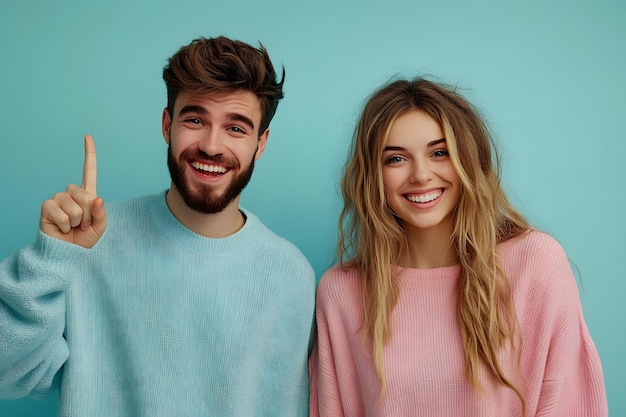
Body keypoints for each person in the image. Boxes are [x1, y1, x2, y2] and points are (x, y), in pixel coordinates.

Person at [0, 36, 316, 416]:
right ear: (167, 125)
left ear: (260, 143)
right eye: (195, 120)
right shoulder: (89, 240)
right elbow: (8, 374)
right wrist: (51, 259)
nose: (212, 146)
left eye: (236, 128)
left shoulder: (289, 273)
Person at [309, 77, 608, 416]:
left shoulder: (535, 264)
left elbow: (570, 404)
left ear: (468, 159)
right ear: (372, 175)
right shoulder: (341, 292)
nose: (421, 175)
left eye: (440, 153)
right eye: (395, 159)